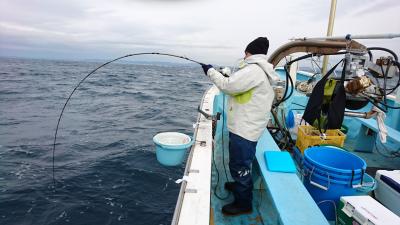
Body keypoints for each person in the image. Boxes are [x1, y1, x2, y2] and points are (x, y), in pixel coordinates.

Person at [201, 37, 279, 216]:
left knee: (240, 165)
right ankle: (238, 187)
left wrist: (210, 71)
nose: (243, 55)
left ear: (249, 52)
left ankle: (244, 203)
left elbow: (228, 86)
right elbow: (238, 85)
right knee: (239, 162)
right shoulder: (258, 70)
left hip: (245, 129)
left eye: (245, 52)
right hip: (248, 126)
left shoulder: (253, 70)